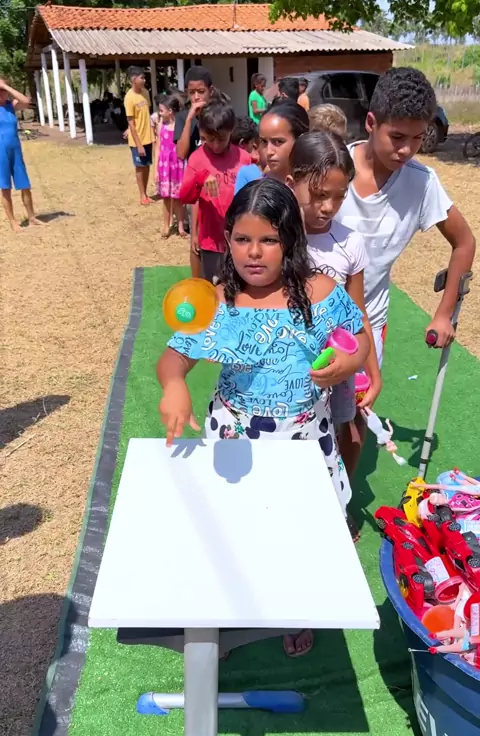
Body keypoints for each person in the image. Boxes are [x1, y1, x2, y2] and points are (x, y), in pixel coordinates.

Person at [156, 179, 369, 656]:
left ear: (291, 240)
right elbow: (174, 357)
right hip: (234, 440)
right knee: (235, 529)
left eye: (269, 239)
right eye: (242, 239)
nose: (254, 252)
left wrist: (348, 362)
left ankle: (293, 609)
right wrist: (174, 385)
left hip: (303, 442)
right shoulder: (215, 301)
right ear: (227, 239)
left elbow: (359, 337)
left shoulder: (320, 292)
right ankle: (229, 611)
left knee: (298, 533)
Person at [337, 66, 475, 475]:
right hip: (309, 316)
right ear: (371, 122)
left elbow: (464, 242)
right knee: (301, 416)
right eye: (397, 137)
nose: (407, 149)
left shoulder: (421, 183)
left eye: (418, 138)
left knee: (355, 421)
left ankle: (341, 499)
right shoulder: (331, 167)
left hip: (366, 323)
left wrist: (444, 313)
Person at [286, 132, 381, 532]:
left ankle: (335, 506)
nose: (328, 207)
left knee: (350, 430)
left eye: (340, 197)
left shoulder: (349, 243)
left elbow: (357, 315)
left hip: (337, 368)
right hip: (289, 367)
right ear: (292, 183)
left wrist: (372, 371)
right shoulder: (276, 239)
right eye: (319, 194)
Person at [178, 102, 250, 282]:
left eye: (222, 139)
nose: (216, 145)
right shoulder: (197, 158)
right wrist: (200, 178)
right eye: (209, 139)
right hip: (211, 240)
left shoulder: (243, 158)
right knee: (212, 286)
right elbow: (185, 196)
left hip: (240, 238)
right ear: (202, 133)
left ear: (231, 131)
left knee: (239, 285)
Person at [174, 66, 214, 278]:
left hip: (219, 184)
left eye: (201, 91)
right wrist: (190, 119)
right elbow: (181, 153)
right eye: (192, 92)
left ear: (210, 91)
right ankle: (197, 282)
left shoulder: (218, 114)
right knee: (196, 239)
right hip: (197, 189)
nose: (197, 97)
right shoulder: (183, 118)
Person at [0, 78, 43, 231]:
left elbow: (26, 101)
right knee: (5, 188)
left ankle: (32, 218)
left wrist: (6, 86)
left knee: (25, 184)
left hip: (15, 150)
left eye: (2, 90)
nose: (1, 93)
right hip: (1, 153)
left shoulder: (10, 105)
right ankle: (13, 222)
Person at [153, 93, 187, 239]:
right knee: (166, 198)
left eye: (161, 110)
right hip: (164, 166)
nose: (159, 113)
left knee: (178, 198)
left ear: (170, 111)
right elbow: (157, 147)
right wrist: (156, 170)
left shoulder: (180, 126)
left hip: (177, 165)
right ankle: (166, 226)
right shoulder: (161, 126)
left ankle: (181, 227)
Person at [124, 66, 155, 206]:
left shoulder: (146, 93)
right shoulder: (129, 98)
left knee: (147, 165)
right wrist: (139, 144)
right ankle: (142, 195)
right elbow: (131, 122)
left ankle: (146, 193)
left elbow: (145, 114)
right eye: (142, 78)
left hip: (148, 137)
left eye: (144, 77)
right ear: (133, 79)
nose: (144, 80)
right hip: (137, 140)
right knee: (139, 167)